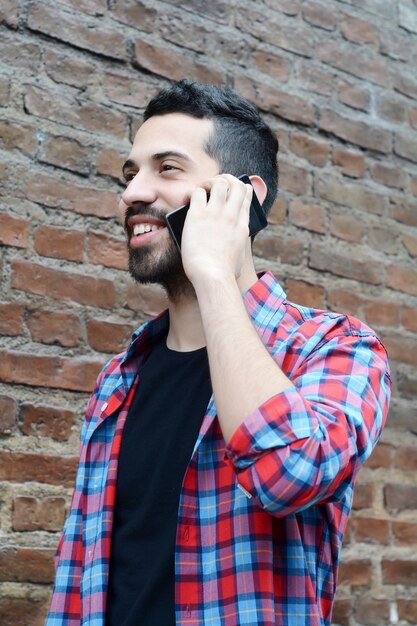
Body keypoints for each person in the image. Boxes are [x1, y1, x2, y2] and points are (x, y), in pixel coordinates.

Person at [47, 80, 391, 626]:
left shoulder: (335, 349)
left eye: (167, 169)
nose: (133, 193)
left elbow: (290, 473)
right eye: (130, 173)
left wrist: (213, 276)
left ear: (241, 197)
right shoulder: (120, 377)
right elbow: (82, 578)